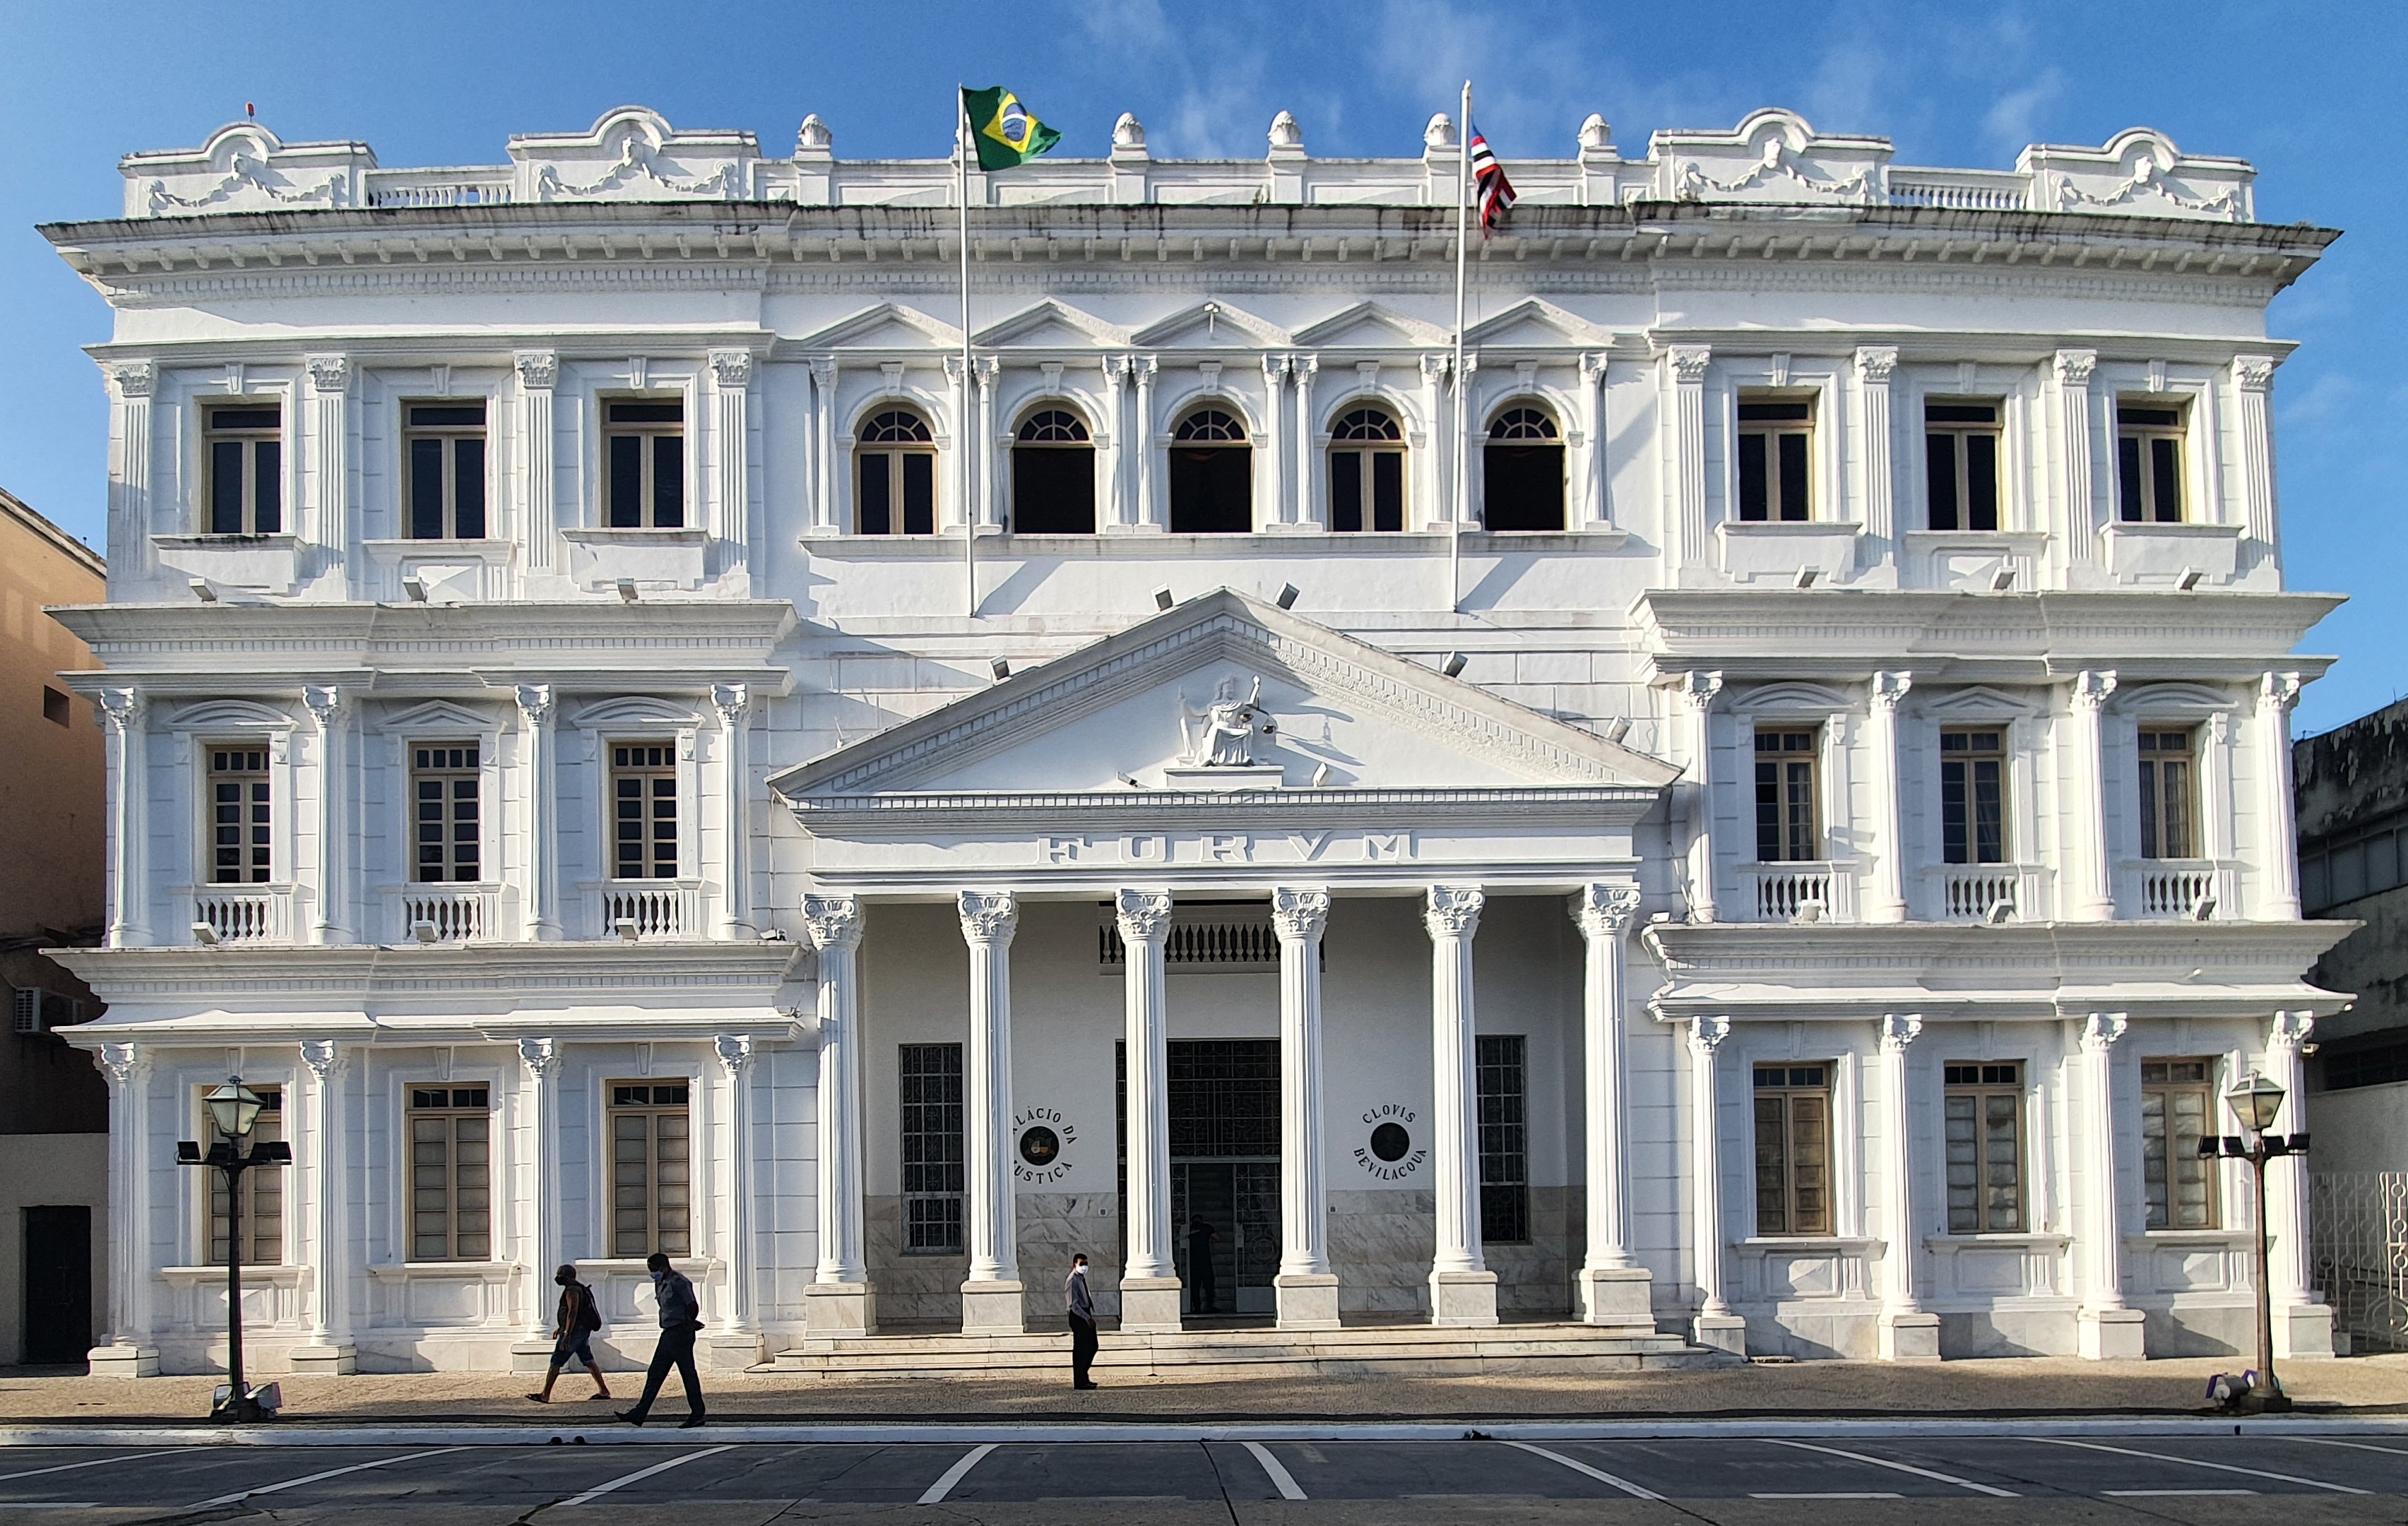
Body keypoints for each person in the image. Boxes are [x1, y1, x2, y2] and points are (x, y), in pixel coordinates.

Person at [616, 1252, 706, 1428]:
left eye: (654, 1269)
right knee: (656, 1374)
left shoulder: (679, 1282)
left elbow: (692, 1306)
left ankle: (697, 1414)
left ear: (664, 1266)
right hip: (669, 1333)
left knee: (688, 1375)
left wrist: (688, 1324)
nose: (652, 1273)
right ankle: (639, 1413)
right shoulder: (661, 1282)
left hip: (680, 1334)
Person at [526, 1263, 610, 1404]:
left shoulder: (572, 1291)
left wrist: (567, 1334)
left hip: (575, 1332)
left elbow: (573, 1312)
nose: (558, 1278)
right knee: (588, 1360)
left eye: (561, 1275)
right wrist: (561, 1327)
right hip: (580, 1331)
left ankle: (545, 1394)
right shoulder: (578, 1289)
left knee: (556, 1361)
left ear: (569, 1277)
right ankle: (604, 1391)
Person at [1066, 1253, 1099, 1390]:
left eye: (1086, 1264)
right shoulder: (1072, 1280)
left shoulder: (1080, 1278)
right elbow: (1073, 1304)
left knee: (1092, 1346)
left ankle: (1083, 1376)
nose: (1084, 1267)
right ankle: (1080, 1380)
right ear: (1075, 1264)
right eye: (1082, 1264)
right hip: (1079, 1316)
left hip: (1085, 1312)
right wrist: (1087, 1318)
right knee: (1082, 1349)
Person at [1186, 1217, 1221, 1315]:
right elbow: (1218, 1238)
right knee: (1209, 1284)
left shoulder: (1188, 1229)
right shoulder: (1207, 1228)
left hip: (1193, 1261)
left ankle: (1197, 1307)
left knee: (1195, 1286)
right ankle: (1209, 1306)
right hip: (1205, 1260)